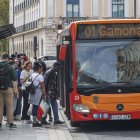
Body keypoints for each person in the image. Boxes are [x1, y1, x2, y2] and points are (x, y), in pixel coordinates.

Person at [0, 53, 17, 128]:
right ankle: (10, 123)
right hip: (8, 88)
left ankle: (0, 123)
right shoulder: (10, 67)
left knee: (0, 106)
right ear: (7, 58)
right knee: (9, 106)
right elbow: (14, 78)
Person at [28, 61, 46, 127]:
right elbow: (43, 86)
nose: (41, 69)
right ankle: (35, 122)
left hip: (32, 91)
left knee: (34, 106)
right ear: (39, 68)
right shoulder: (40, 76)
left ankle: (35, 120)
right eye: (41, 68)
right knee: (36, 107)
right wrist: (44, 94)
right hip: (38, 92)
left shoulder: (32, 75)